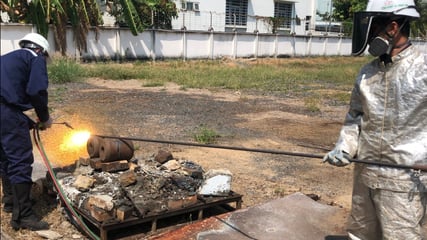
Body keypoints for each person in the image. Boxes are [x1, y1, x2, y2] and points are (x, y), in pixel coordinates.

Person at [323, 0, 427, 239]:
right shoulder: (367, 73)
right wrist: (344, 147)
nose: (368, 36)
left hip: (404, 182)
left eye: (372, 28)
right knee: (360, 234)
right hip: (365, 175)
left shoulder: (423, 70)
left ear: (392, 28)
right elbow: (355, 118)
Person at [1, 32, 53, 231]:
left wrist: (27, 121)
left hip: (4, 112)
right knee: (20, 160)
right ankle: (24, 217)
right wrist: (45, 117)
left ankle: (10, 202)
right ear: (40, 49)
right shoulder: (34, 57)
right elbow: (36, 91)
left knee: (5, 157)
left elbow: (7, 98)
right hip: (6, 113)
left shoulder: (7, 58)